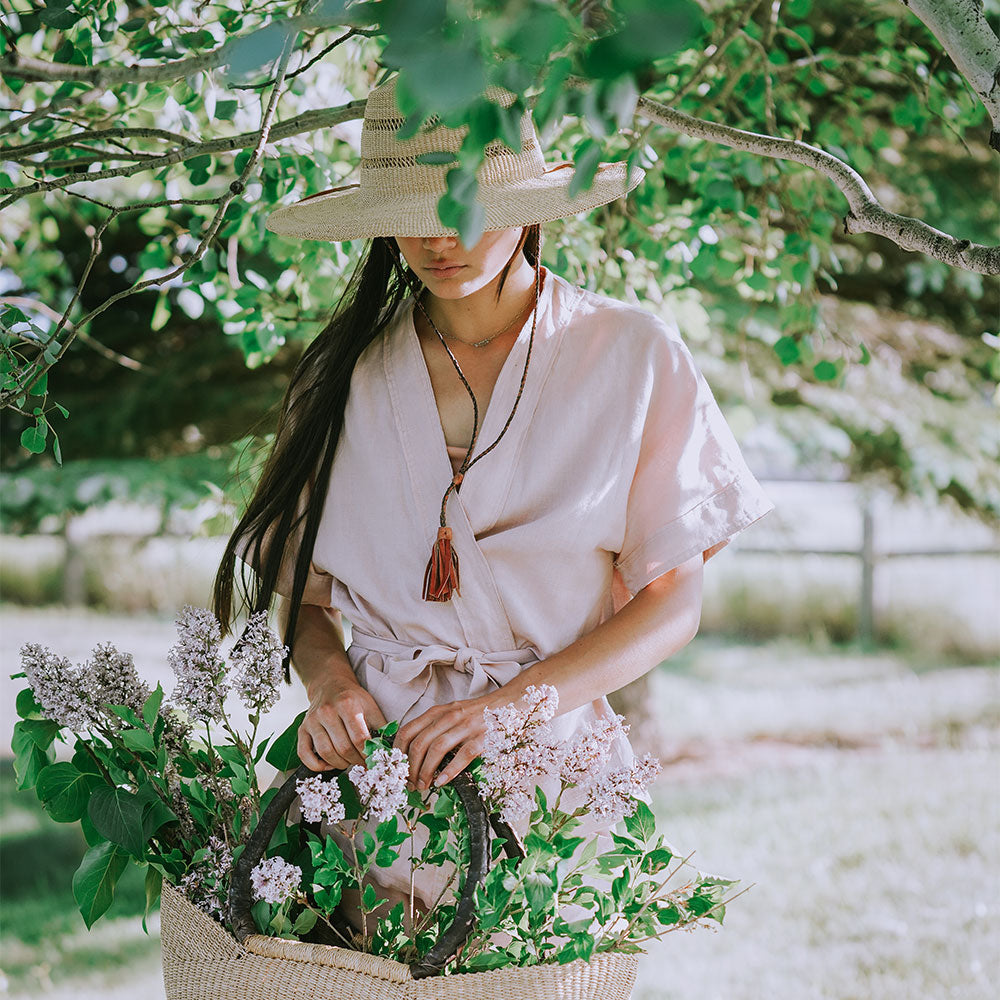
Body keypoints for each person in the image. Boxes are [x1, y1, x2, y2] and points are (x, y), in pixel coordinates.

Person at [213, 74, 774, 932]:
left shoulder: (631, 355)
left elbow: (673, 604)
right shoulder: (340, 378)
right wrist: (329, 688)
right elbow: (306, 600)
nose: (441, 235)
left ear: (528, 203)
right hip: (373, 785)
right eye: (413, 207)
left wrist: (509, 710)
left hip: (548, 770)